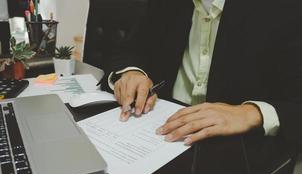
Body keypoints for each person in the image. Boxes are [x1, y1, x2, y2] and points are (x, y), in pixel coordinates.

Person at [101, 0, 302, 147]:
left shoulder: (286, 9)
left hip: (235, 150)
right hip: (154, 129)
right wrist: (131, 72)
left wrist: (251, 113)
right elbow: (130, 49)